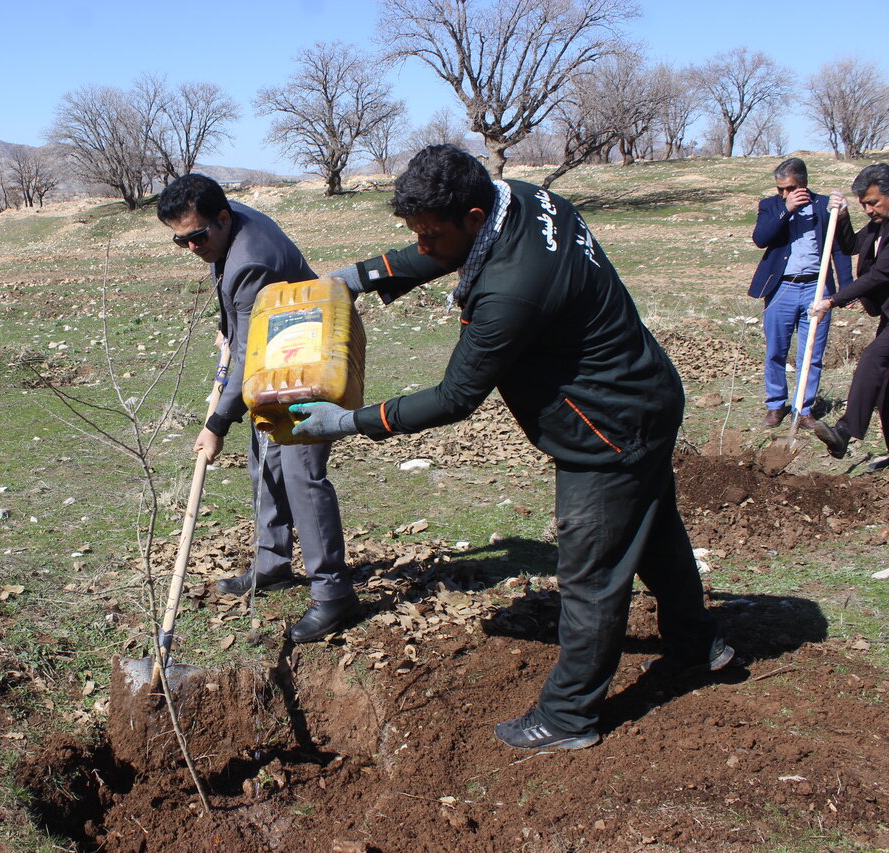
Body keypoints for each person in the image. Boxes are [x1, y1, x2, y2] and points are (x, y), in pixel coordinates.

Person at [292, 145, 731, 751]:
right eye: (412, 232)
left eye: (430, 233)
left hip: (608, 429)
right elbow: (446, 251)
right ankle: (698, 645)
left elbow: (455, 396)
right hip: (646, 393)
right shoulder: (521, 197)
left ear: (474, 218)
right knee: (652, 534)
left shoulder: (510, 290)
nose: (422, 245)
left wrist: (347, 423)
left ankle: (569, 716)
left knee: (591, 574)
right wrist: (359, 277)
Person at [156, 174, 357, 643]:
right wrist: (229, 327)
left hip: (307, 365)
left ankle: (333, 594)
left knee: (302, 477)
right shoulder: (226, 229)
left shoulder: (252, 261)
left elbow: (248, 355)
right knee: (265, 464)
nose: (190, 248)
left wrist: (217, 422)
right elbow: (241, 321)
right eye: (179, 240)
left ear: (223, 219)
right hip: (276, 358)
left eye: (197, 237)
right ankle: (273, 565)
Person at [749, 157, 851, 428]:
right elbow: (761, 239)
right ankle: (775, 404)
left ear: (804, 183)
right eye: (780, 188)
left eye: (790, 188)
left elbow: (839, 249)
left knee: (812, 353)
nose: (784, 193)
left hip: (817, 287)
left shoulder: (823, 205)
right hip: (781, 288)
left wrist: (847, 288)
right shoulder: (770, 205)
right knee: (775, 350)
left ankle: (803, 409)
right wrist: (787, 209)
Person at [811, 163, 889, 460]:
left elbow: (879, 275)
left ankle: (844, 432)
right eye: (863, 205)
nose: (868, 210)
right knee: (884, 392)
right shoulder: (879, 225)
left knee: (872, 358)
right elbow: (853, 244)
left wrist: (832, 301)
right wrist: (841, 216)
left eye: (873, 202)